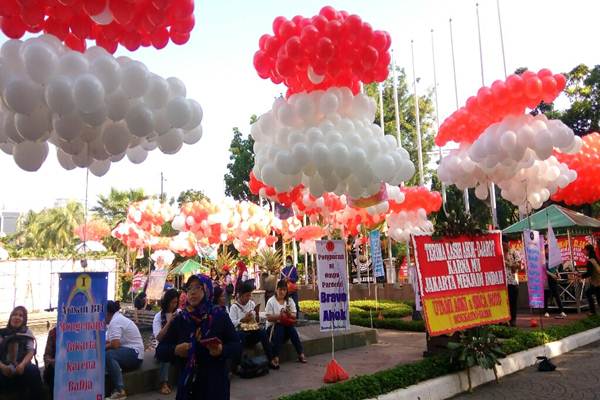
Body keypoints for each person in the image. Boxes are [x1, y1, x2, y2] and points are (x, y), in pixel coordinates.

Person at [155, 274, 241, 400]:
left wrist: (221, 350)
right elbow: (160, 351)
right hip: (188, 387)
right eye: (189, 288)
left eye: (198, 287)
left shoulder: (219, 316)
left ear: (207, 290)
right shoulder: (180, 319)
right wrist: (175, 349)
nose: (192, 292)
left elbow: (237, 346)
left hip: (215, 386)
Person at [229, 281, 276, 370]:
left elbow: (256, 320)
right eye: (247, 295)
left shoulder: (251, 304)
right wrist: (243, 320)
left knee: (262, 332)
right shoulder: (234, 307)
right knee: (240, 335)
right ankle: (237, 364)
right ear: (240, 295)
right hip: (241, 336)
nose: (249, 297)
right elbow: (232, 323)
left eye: (250, 295)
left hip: (252, 333)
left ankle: (271, 358)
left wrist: (256, 316)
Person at [0, 306, 43, 400]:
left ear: (24, 320)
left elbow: (30, 351)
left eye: (21, 315)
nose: (17, 317)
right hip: (4, 366)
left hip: (22, 366)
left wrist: (22, 365)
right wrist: (2, 367)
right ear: (10, 317)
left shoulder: (27, 332)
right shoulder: (2, 333)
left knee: (33, 370)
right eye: (14, 314)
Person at [105, 300, 145, 399]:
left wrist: (100, 349)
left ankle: (120, 391)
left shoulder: (115, 321)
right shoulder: (114, 320)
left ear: (107, 312)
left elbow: (115, 344)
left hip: (135, 354)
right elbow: (108, 341)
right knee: (107, 354)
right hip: (129, 352)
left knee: (109, 355)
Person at [266, 280, 306, 368]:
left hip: (286, 328)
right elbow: (268, 317)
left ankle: (300, 353)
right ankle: (275, 357)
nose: (282, 292)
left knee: (291, 329)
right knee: (280, 327)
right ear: (276, 289)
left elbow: (294, 316)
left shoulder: (290, 301)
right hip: (272, 329)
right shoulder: (271, 301)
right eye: (280, 289)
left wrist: (288, 314)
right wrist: (279, 316)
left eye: (284, 290)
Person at [153, 289, 180, 395]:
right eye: (172, 302)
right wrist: (168, 323)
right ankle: (164, 383)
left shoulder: (179, 313)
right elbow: (158, 338)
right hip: (164, 345)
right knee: (165, 352)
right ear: (167, 302)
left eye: (176, 302)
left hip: (177, 344)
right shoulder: (159, 317)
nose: (174, 305)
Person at [543, 243, 567, 318]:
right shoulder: (543, 259)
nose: (548, 251)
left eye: (549, 249)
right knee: (546, 295)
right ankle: (546, 311)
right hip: (546, 279)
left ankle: (562, 311)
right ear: (544, 250)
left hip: (553, 279)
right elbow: (544, 270)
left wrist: (558, 273)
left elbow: (555, 268)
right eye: (547, 249)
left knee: (557, 295)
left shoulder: (552, 258)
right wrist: (552, 275)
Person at [502, 238, 522, 327]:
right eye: (501, 244)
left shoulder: (514, 252)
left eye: (504, 244)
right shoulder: (500, 253)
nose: (503, 246)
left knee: (512, 303)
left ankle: (513, 320)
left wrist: (508, 263)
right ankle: (504, 321)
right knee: (504, 303)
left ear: (508, 243)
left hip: (513, 282)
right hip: (502, 283)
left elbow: (519, 266)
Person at [580, 244, 600, 315]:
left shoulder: (590, 261)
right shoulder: (595, 258)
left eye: (584, 250)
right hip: (597, 281)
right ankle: (593, 312)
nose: (584, 252)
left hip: (597, 282)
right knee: (596, 296)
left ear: (588, 251)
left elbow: (589, 273)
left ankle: (593, 312)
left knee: (588, 293)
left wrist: (580, 275)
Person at [43, 326, 57, 399]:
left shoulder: (86, 330)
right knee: (52, 371)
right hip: (57, 367)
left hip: (78, 367)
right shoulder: (53, 332)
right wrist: (53, 361)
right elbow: (46, 356)